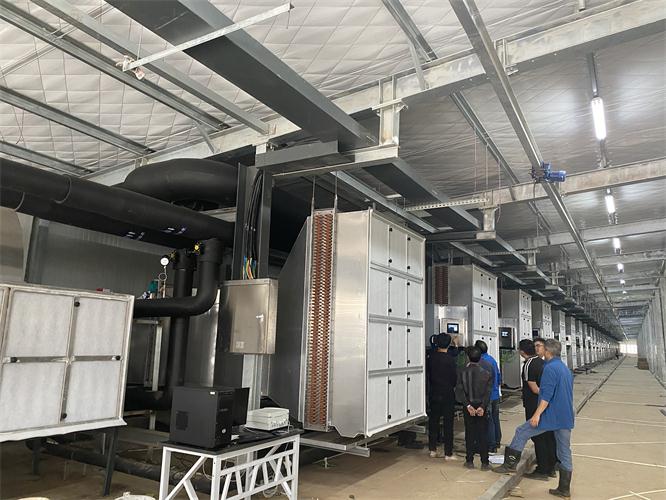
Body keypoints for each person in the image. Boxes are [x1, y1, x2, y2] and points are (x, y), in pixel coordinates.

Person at [493, 339, 575, 499]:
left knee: (521, 431)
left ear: (548, 351)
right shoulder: (565, 368)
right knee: (564, 450)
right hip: (565, 416)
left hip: (550, 415)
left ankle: (509, 465)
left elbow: (546, 395)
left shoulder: (549, 368)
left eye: (541, 347)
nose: (538, 349)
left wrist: (537, 414)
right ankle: (564, 489)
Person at [518, 339, 558, 480]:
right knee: (548, 435)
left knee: (538, 436)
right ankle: (551, 465)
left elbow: (534, 389)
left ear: (521, 352)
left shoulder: (529, 364)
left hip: (534, 405)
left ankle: (542, 469)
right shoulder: (542, 362)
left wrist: (546, 395)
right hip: (545, 405)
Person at [455, 345, 493, 470]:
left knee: (470, 433)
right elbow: (488, 392)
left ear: (468, 357)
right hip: (481, 406)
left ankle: (469, 461)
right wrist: (482, 406)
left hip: (469, 406)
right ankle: (485, 462)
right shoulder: (486, 373)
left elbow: (460, 391)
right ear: (480, 358)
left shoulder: (462, 372)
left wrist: (468, 405)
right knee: (483, 434)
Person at [427, 333, 458, 460]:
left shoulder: (431, 358)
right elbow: (454, 379)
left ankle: (432, 449)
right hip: (447, 394)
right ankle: (448, 453)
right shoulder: (450, 359)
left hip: (434, 392)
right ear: (449, 344)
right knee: (448, 423)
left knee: (433, 421)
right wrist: (456, 344)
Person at [475, 340, 501, 452]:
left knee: (488, 420)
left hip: (488, 396)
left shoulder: (481, 362)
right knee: (495, 419)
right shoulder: (492, 360)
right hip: (495, 394)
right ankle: (497, 441)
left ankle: (491, 445)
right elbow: (498, 376)